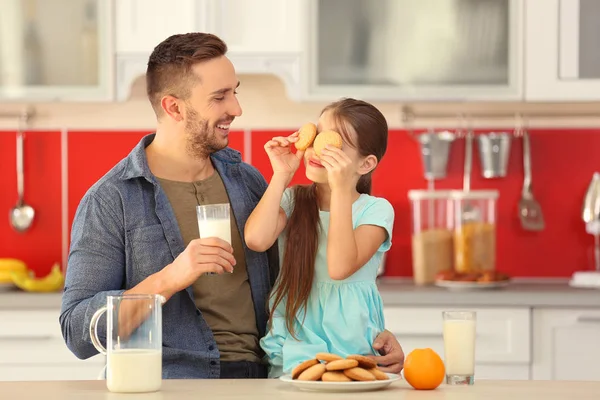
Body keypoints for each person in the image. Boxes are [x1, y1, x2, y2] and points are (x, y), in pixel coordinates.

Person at [59, 32, 404, 379]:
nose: (236, 109)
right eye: (219, 97)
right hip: (168, 381)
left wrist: (366, 340)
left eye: (234, 92)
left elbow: (306, 278)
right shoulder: (111, 199)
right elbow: (78, 333)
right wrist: (168, 279)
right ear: (173, 107)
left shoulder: (248, 182)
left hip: (265, 376)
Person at [244, 98, 396, 378]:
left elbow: (339, 267)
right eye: (318, 135)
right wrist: (281, 174)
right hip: (294, 340)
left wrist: (340, 190)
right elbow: (256, 239)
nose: (317, 149)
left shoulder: (376, 210)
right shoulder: (294, 200)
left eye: (336, 144)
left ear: (366, 164)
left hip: (352, 342)